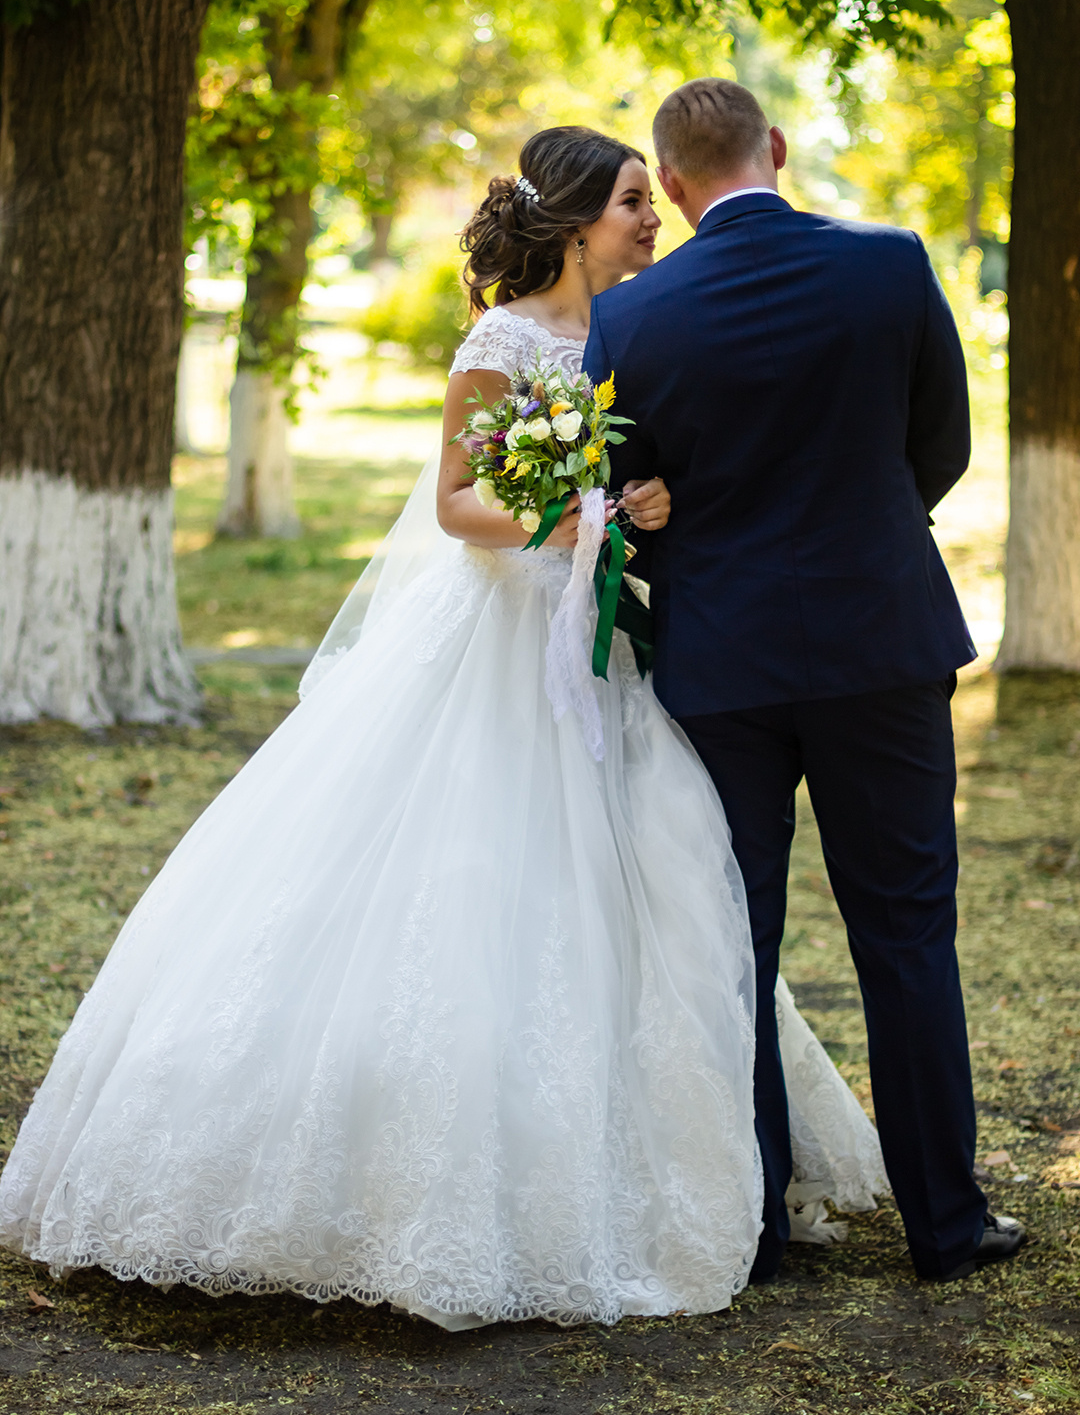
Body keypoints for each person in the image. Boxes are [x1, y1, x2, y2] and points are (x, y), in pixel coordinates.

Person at [0, 125, 886, 1331]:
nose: (653, 219)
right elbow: (455, 501)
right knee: (465, 887)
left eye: (651, 200)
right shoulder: (502, 338)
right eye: (634, 202)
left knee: (655, 881)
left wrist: (642, 506)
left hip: (602, 650)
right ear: (577, 223)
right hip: (498, 646)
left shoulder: (632, 333)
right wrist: (563, 519)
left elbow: (643, 477)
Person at [583, 79, 1025, 1285]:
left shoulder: (633, 315)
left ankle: (757, 1225)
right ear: (775, 149)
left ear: (671, 184)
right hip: (882, 644)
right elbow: (943, 445)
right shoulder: (893, 266)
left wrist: (712, 557)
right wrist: (868, 538)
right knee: (908, 933)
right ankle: (946, 1223)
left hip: (724, 662)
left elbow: (637, 505)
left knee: (740, 940)